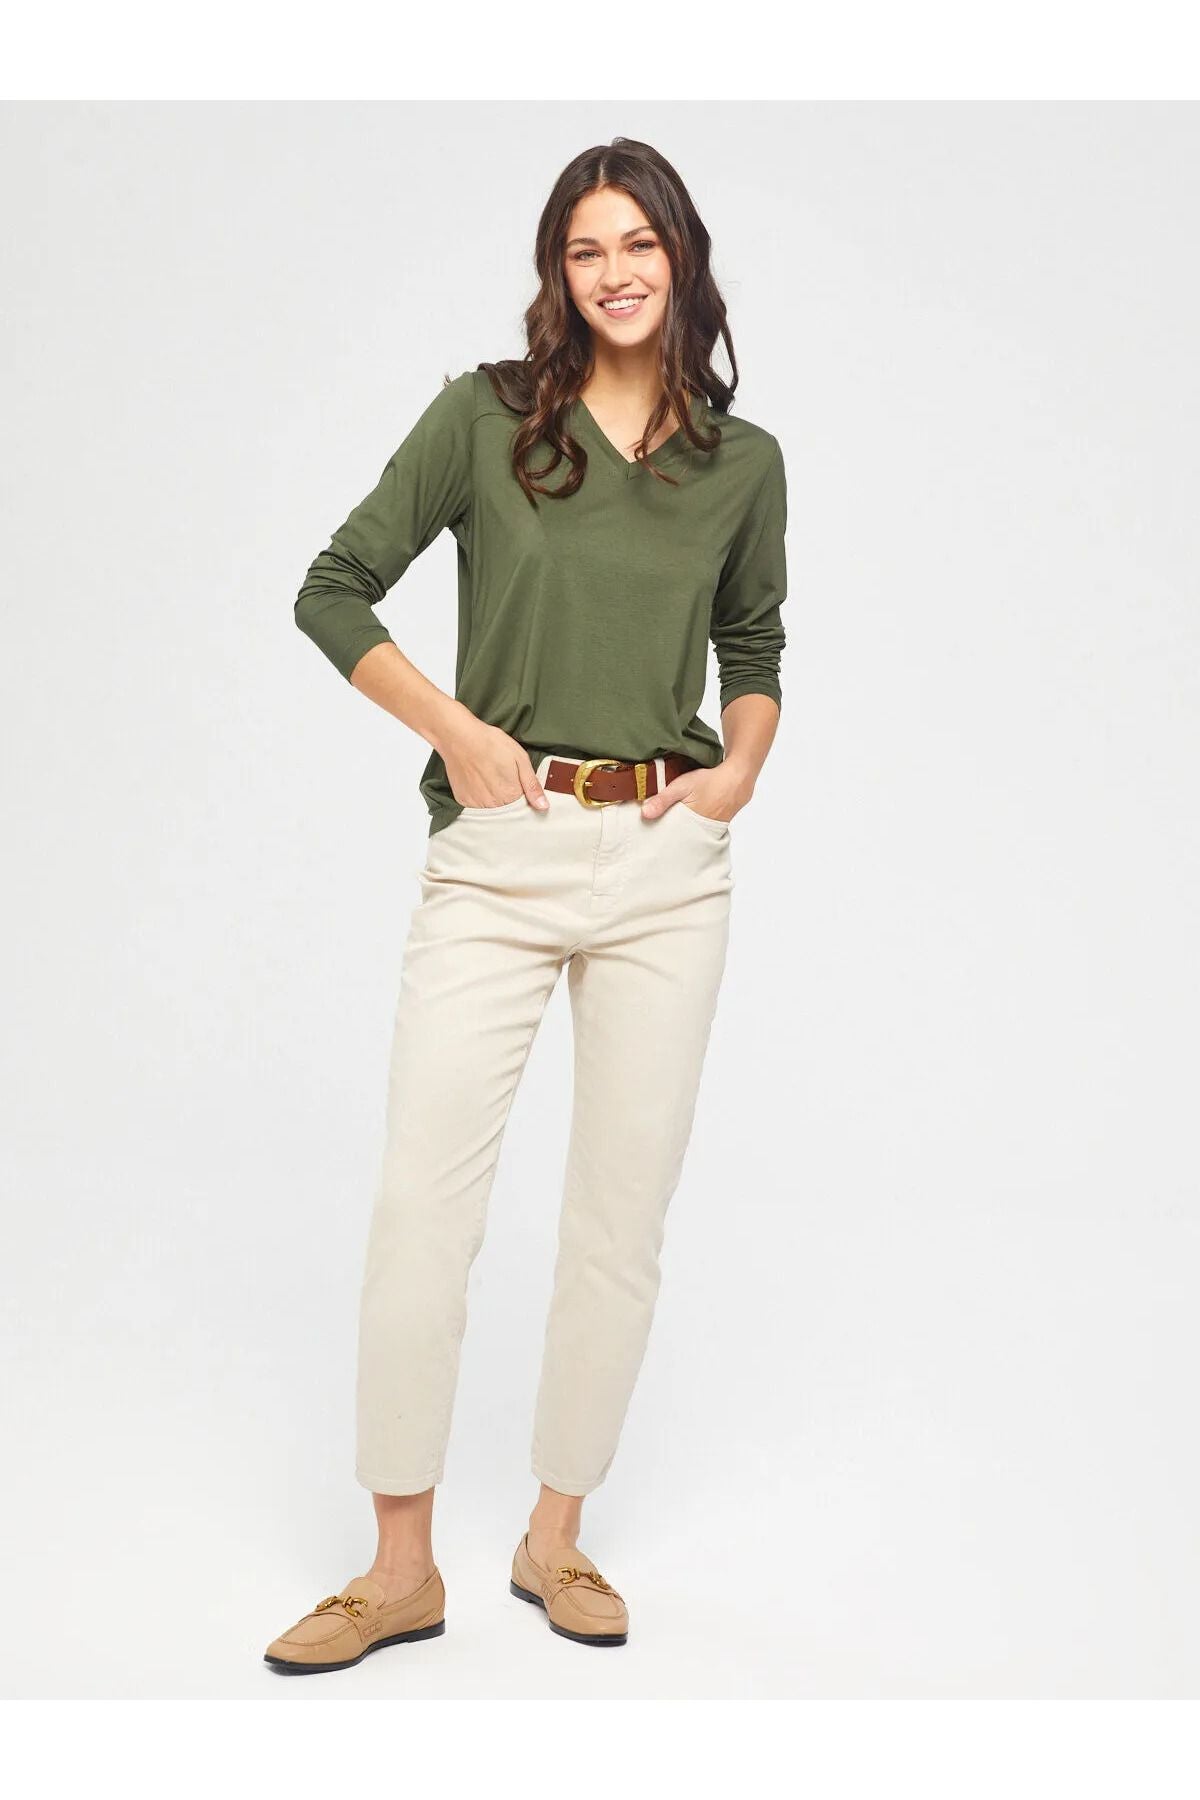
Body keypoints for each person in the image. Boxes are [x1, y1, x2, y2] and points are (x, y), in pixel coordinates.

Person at [263, 136, 787, 1673]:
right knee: (422, 1209)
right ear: (559, 271)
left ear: (681, 258)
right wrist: (457, 733)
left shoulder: (741, 462)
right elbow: (331, 588)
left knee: (620, 1222)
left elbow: (755, 645)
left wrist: (739, 769)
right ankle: (399, 1569)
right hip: (501, 852)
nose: (615, 272)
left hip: (665, 869)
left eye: (639, 243)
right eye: (585, 249)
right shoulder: (486, 418)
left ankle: (555, 1538)